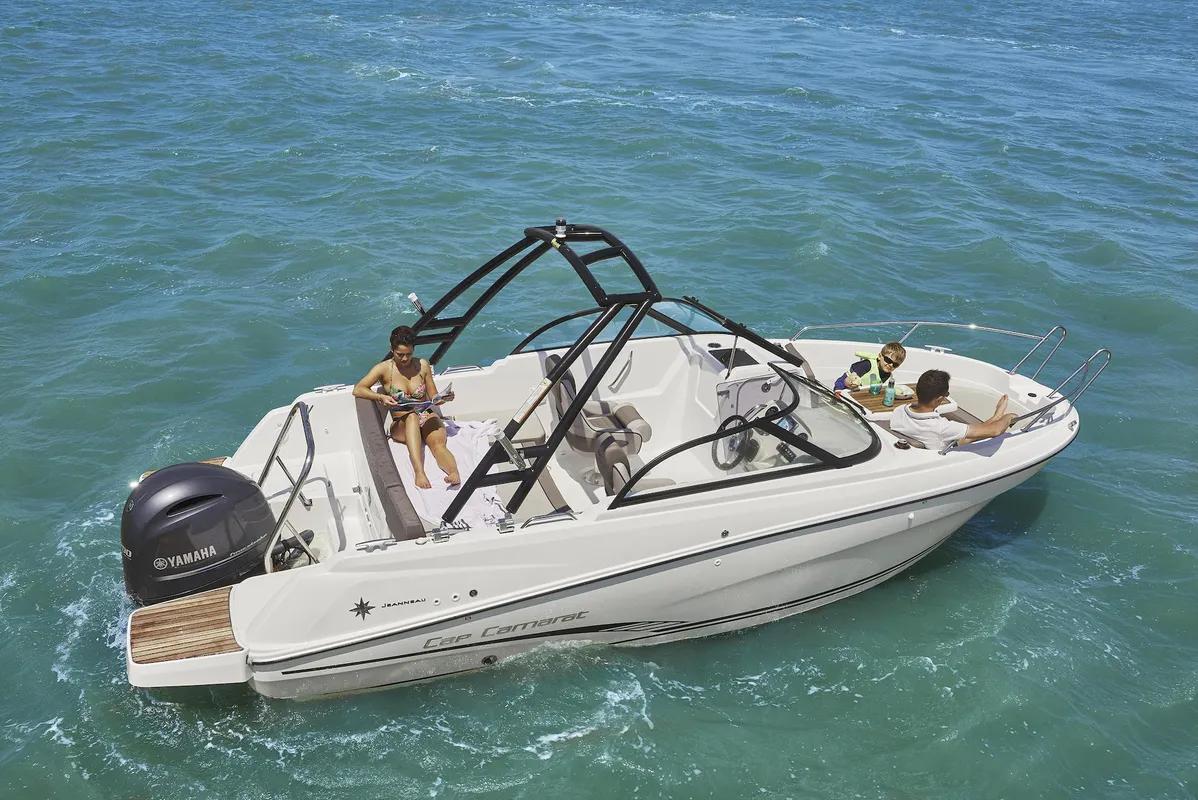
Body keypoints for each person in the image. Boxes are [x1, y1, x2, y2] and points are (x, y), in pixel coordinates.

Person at [353, 326, 460, 488]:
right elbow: (358, 389)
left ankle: (453, 473)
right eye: (400, 354)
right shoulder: (383, 369)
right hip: (401, 423)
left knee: (438, 444)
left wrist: (444, 398)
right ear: (392, 349)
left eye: (409, 354)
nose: (404, 359)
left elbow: (434, 397)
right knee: (411, 417)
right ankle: (419, 472)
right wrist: (381, 397)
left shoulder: (422, 365)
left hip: (425, 413)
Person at [890, 369, 1017, 451]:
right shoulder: (940, 426)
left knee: (967, 434)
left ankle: (995, 418)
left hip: (928, 443)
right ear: (939, 399)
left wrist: (996, 417)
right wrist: (1009, 417)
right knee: (970, 436)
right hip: (945, 450)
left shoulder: (899, 411)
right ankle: (996, 417)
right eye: (946, 394)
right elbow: (995, 431)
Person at [834, 341, 906, 391]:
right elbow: (845, 380)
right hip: (842, 388)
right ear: (880, 356)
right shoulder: (867, 365)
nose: (891, 365)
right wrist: (846, 384)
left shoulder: (887, 374)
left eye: (895, 364)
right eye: (888, 360)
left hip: (859, 393)